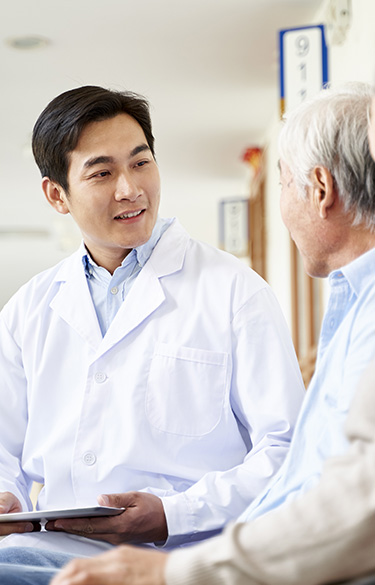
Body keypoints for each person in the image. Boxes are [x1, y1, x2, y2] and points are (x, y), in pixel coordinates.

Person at [20, 80, 375, 585]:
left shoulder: (237, 292)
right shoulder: (28, 309)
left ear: (320, 190)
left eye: (141, 162)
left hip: (197, 552)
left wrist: (173, 519)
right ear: (57, 194)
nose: (130, 188)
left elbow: (292, 460)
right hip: (56, 547)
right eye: (102, 172)